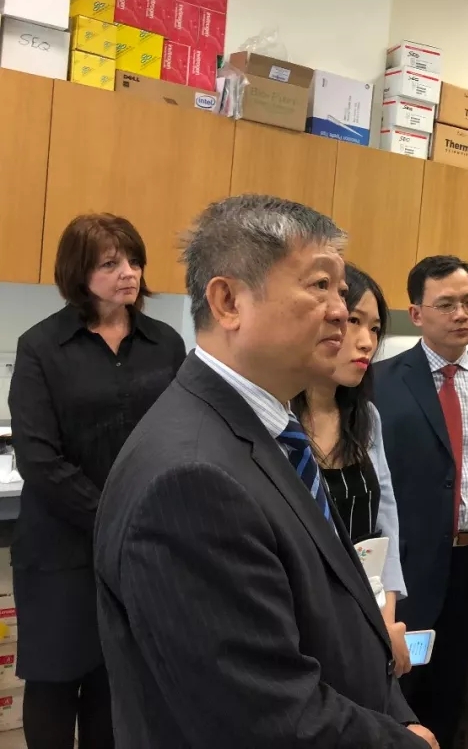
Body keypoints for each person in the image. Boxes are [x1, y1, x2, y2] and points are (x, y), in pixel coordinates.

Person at [93, 195, 438, 749]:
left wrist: (394, 711)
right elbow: (260, 711)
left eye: (341, 290)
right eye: (319, 285)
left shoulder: (271, 428)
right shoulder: (191, 480)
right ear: (229, 301)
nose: (339, 310)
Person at [8, 214, 185, 749]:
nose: (128, 273)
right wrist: (114, 514)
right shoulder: (41, 346)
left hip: (142, 545)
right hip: (61, 546)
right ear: (79, 272)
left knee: (119, 680)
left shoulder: (165, 344)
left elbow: (180, 432)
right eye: (110, 263)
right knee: (55, 681)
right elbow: (38, 458)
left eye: (134, 261)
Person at [373, 255, 468, 748]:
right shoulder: (381, 382)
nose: (461, 314)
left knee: (457, 687)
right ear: (416, 314)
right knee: (401, 686)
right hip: (408, 566)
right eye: (447, 304)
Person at [292, 263, 412, 677]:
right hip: (299, 619)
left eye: (375, 329)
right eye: (354, 321)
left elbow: (386, 523)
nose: (366, 342)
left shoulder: (366, 418)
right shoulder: (277, 421)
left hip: (363, 610)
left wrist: (386, 621)